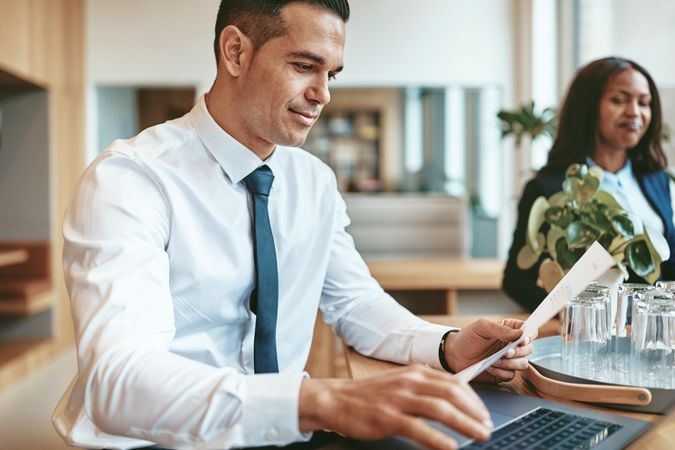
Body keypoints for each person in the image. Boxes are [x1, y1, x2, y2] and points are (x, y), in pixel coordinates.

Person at [53, 1, 535, 449]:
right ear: (236, 51)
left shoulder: (313, 182)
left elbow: (356, 303)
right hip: (156, 441)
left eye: (332, 73)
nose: (322, 94)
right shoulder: (131, 179)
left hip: (277, 431)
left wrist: (448, 347)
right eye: (304, 66)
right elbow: (116, 382)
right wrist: (319, 400)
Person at [503, 56, 675, 311]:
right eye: (619, 100)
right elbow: (516, 281)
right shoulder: (548, 188)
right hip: (586, 337)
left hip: (651, 336)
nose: (635, 112)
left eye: (644, 102)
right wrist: (574, 313)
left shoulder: (657, 180)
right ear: (587, 107)